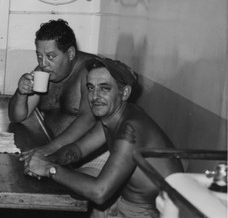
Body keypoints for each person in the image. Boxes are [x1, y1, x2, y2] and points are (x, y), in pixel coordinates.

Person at [21, 57, 184, 218]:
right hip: (129, 203)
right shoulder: (112, 118)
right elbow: (77, 150)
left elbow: (100, 192)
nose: (94, 96)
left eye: (104, 88)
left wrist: (50, 169)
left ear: (124, 92)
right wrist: (48, 159)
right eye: (91, 88)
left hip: (155, 211)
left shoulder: (131, 128)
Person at [8, 19, 108, 174]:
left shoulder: (91, 71)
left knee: (72, 195)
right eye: (39, 56)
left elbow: (88, 119)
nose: (43, 63)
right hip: (57, 153)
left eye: (50, 56)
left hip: (91, 158)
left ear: (70, 53)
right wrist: (21, 92)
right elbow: (18, 117)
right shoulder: (44, 71)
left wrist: (48, 150)